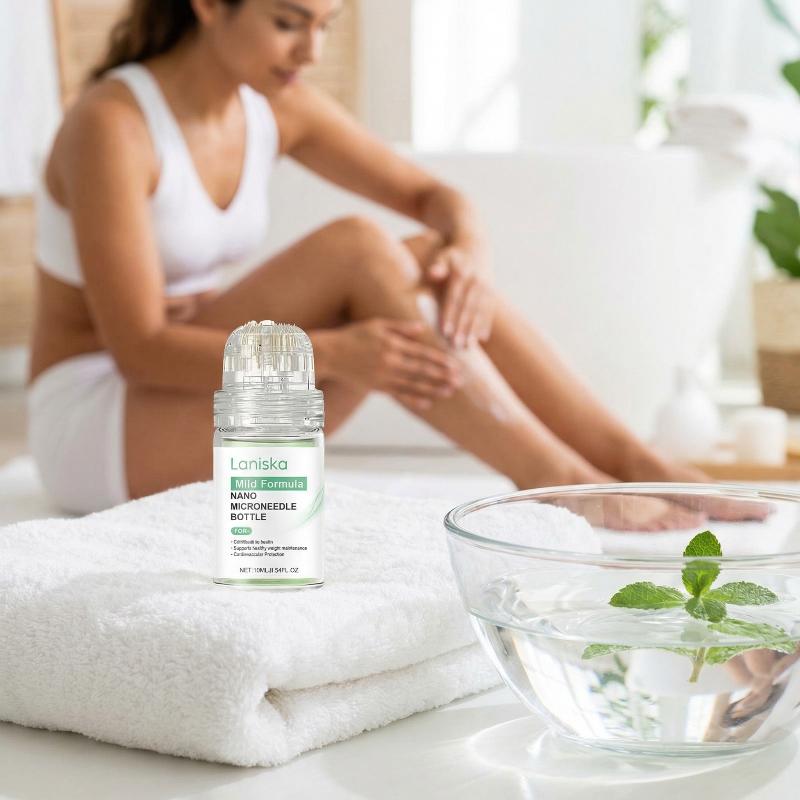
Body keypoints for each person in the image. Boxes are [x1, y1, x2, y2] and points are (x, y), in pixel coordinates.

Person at [28, 0, 708, 521]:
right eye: (288, 22)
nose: (312, 51)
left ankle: (629, 458)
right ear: (206, 5)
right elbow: (139, 350)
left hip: (201, 381)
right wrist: (332, 354)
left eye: (325, 24)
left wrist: (469, 250)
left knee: (427, 257)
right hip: (101, 421)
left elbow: (434, 198)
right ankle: (557, 478)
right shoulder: (112, 126)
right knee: (356, 248)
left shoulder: (272, 104)